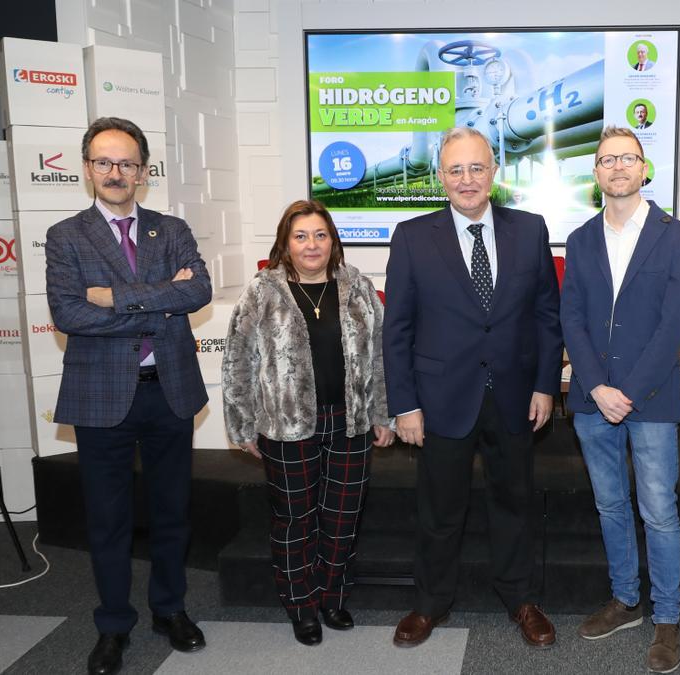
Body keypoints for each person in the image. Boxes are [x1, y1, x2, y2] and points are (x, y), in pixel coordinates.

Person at [384, 127, 562, 649]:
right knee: (440, 510)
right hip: (440, 401)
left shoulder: (529, 231)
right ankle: (430, 602)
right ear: (440, 177)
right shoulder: (413, 236)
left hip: (514, 396)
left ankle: (521, 599)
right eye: (456, 170)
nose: (467, 179)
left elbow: (546, 317)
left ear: (494, 172)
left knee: (514, 503)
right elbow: (398, 329)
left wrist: (545, 386)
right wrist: (405, 405)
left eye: (476, 168)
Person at [46, 117, 211, 675]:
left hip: (169, 392)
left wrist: (113, 298)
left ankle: (170, 608)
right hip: (101, 397)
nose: (116, 173)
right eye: (104, 162)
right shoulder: (67, 236)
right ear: (88, 168)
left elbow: (199, 289)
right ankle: (113, 625)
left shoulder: (172, 228)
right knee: (109, 521)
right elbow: (69, 313)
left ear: (144, 170)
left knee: (172, 513)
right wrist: (159, 304)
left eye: (127, 163)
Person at [222, 200, 394, 646]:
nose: (312, 244)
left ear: (333, 240)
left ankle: (332, 597)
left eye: (320, 235)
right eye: (301, 236)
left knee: (342, 518)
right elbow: (238, 360)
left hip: (351, 423)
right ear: (285, 243)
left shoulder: (357, 285)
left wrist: (382, 413)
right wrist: (243, 423)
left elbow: (380, 353)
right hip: (287, 427)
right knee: (296, 520)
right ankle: (301, 606)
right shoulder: (262, 290)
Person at [561, 126, 680, 673]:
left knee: (659, 512)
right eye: (606, 159)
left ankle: (668, 617)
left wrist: (629, 392)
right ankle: (626, 599)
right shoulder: (580, 238)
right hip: (594, 400)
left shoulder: (677, 236)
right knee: (610, 504)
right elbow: (571, 315)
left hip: (652, 399)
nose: (617, 166)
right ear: (595, 173)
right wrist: (595, 386)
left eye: (628, 158)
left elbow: (674, 326)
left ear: (644, 169)